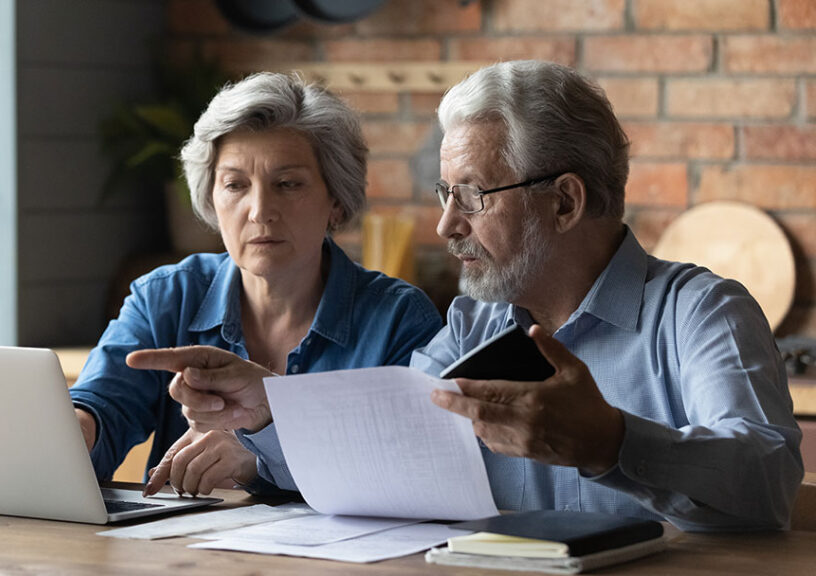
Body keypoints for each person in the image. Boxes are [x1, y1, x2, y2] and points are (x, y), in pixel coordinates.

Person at [158, 60, 803, 532]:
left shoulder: (700, 313)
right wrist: (272, 411)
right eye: (445, 195)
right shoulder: (473, 326)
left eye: (473, 196)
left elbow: (768, 484)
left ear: (565, 201)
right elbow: (383, 450)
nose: (446, 226)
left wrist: (611, 443)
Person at [68, 72, 443, 496]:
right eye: (235, 185)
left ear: (336, 201)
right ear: (211, 198)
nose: (260, 210)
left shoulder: (399, 320)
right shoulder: (166, 297)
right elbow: (102, 406)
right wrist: (77, 433)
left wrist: (262, 458)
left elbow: (412, 469)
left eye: (288, 184)